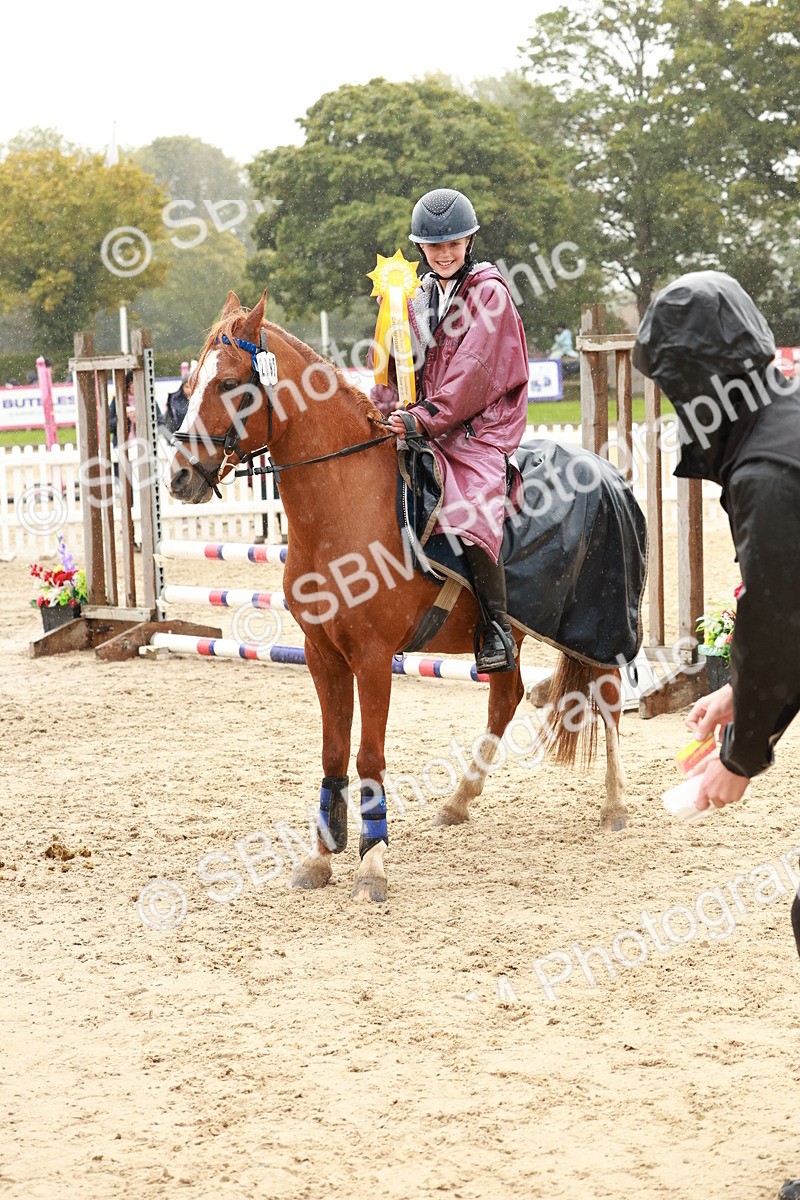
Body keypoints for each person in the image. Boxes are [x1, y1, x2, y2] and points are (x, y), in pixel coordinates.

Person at [633, 270, 800, 817]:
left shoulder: (765, 474)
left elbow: (776, 624)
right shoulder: (784, 419)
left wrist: (740, 756)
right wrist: (742, 697)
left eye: (673, 386)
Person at [374, 187, 530, 673]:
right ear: (421, 248)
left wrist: (422, 417)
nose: (445, 253)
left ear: (470, 241)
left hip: (477, 429)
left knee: (472, 505)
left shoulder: (489, 292)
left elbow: (474, 373)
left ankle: (496, 629)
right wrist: (381, 409)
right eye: (435, 246)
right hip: (424, 424)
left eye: (454, 244)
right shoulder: (414, 298)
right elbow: (391, 363)